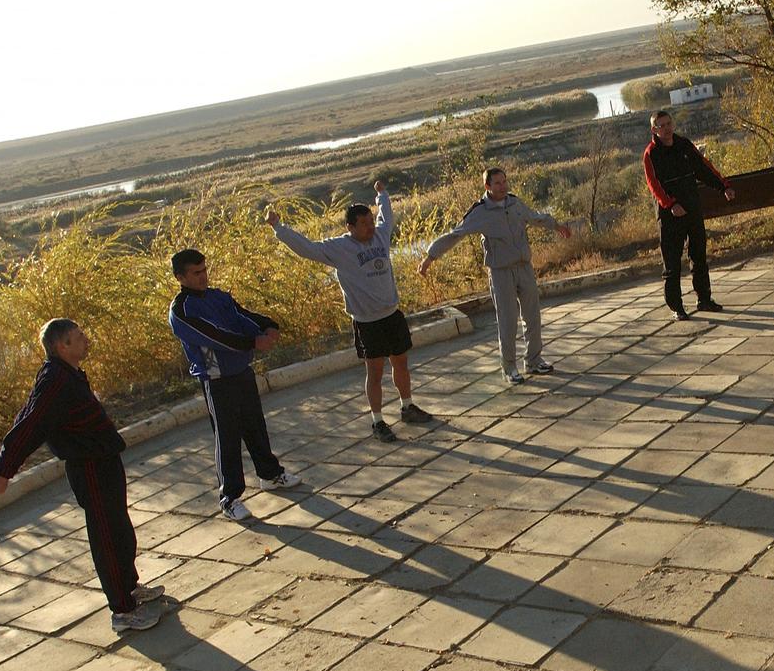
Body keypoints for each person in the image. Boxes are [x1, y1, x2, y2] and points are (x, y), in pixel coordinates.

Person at [0, 320, 166, 633]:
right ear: (62, 346)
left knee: (119, 528)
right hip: (89, 467)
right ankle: (122, 611)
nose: (85, 339)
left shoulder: (68, 374)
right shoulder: (55, 379)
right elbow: (30, 422)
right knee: (106, 535)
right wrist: (4, 469)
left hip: (104, 460)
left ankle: (130, 588)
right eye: (78, 337)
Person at [265, 181, 432, 442]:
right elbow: (307, 248)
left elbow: (386, 216)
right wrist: (279, 228)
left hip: (392, 314)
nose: (369, 227)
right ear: (350, 227)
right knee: (374, 372)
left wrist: (382, 194)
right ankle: (378, 422)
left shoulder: (380, 235)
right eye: (363, 224)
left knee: (401, 362)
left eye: (369, 221)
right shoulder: (338, 249)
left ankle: (407, 406)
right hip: (368, 322)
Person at [167, 249, 301, 520]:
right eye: (196, 272)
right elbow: (215, 336)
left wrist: (267, 325)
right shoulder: (181, 310)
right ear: (180, 277)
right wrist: (253, 342)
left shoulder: (219, 296)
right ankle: (229, 497)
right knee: (227, 438)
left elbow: (241, 317)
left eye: (204, 269)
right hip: (217, 382)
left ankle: (270, 473)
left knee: (255, 426)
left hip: (242, 372)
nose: (203, 276)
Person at [419, 167, 571, 385]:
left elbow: (535, 218)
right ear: (487, 186)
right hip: (501, 272)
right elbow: (455, 235)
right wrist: (430, 257)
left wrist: (557, 226)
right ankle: (509, 368)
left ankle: (534, 361)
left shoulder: (514, 203)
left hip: (524, 267)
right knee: (508, 321)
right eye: (497, 183)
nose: (503, 186)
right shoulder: (480, 212)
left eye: (504, 182)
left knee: (533, 316)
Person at [643, 110, 735, 320]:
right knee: (672, 263)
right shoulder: (651, 154)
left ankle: (704, 299)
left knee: (699, 256)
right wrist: (670, 204)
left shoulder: (684, 145)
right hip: (670, 215)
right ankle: (677, 307)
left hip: (692, 209)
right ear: (654, 129)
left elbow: (704, 168)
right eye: (662, 125)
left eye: (669, 123)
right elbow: (653, 185)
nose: (667, 128)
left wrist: (724, 187)